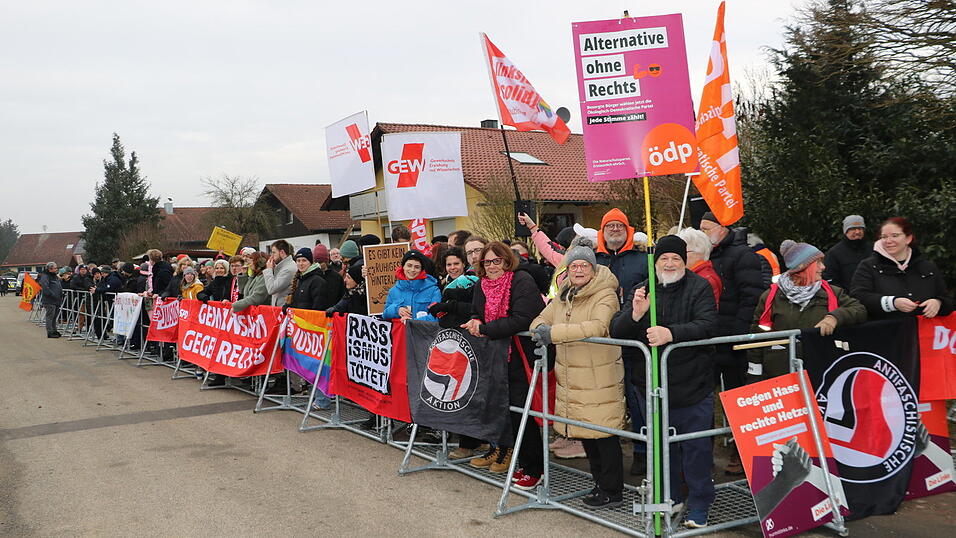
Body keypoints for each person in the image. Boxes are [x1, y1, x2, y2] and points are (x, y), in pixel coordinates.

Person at [610, 235, 718, 528]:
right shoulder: (643, 289)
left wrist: (671, 334)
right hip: (652, 387)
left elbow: (708, 325)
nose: (670, 264)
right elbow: (617, 330)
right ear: (655, 262)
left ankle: (700, 502)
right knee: (661, 449)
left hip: (692, 384)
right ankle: (669, 496)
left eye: (676, 259)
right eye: (664, 259)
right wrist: (636, 313)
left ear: (684, 261)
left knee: (696, 449)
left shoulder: (699, 287)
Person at [529, 238, 625, 506]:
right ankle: (599, 485)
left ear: (593, 270)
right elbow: (542, 317)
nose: (579, 270)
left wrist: (553, 334)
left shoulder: (605, 294)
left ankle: (612, 490)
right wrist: (539, 328)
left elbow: (597, 326)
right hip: (572, 376)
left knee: (604, 436)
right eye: (574, 266)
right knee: (587, 435)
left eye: (584, 266)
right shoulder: (564, 294)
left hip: (599, 376)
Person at [462, 242, 546, 479]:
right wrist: (476, 322)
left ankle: (533, 467)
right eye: (487, 262)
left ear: (507, 260)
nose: (491, 266)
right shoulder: (481, 285)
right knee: (498, 408)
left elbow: (522, 319)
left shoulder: (521, 280)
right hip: (493, 356)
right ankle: (501, 451)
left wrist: (486, 329)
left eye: (496, 261)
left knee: (521, 412)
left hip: (520, 355)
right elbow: (475, 312)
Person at [749, 240, 866, 379]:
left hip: (822, 371)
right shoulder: (771, 296)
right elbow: (757, 334)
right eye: (818, 263)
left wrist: (834, 317)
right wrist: (754, 374)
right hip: (781, 374)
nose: (823, 267)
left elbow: (859, 310)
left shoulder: (831, 293)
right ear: (802, 268)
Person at [851, 217, 953, 320]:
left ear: (908, 238)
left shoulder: (928, 267)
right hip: (885, 332)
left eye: (895, 236)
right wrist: (892, 303)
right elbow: (858, 297)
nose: (888, 241)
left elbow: (948, 300)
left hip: (924, 333)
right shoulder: (868, 266)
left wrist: (938, 303)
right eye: (884, 237)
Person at [382, 250, 441, 322]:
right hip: (401, 332)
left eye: (417, 267)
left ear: (421, 270)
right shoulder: (394, 290)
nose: (412, 270)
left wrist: (413, 322)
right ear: (403, 267)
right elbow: (385, 314)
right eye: (409, 265)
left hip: (424, 332)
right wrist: (397, 309)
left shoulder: (433, 290)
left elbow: (437, 316)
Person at [823, 215, 872, 290]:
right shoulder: (834, 253)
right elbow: (830, 279)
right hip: (847, 299)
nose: (857, 232)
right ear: (845, 231)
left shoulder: (872, 250)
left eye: (860, 228)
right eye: (853, 229)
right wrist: (844, 298)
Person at [678, 228, 722, 305]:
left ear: (699, 252)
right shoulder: (693, 275)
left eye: (683, 252)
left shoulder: (705, 280)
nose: (679, 256)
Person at [263, 239, 296, 307]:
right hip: (278, 309)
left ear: (282, 252)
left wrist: (268, 270)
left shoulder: (289, 269)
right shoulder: (283, 266)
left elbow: (271, 289)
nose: (271, 256)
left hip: (283, 310)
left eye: (274, 252)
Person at [38, 262, 64, 338]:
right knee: (50, 316)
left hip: (57, 300)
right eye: (55, 268)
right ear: (50, 269)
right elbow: (45, 288)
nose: (56, 270)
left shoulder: (55, 276)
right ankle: (50, 332)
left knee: (54, 316)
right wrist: (53, 294)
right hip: (50, 300)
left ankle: (54, 330)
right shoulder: (45, 276)